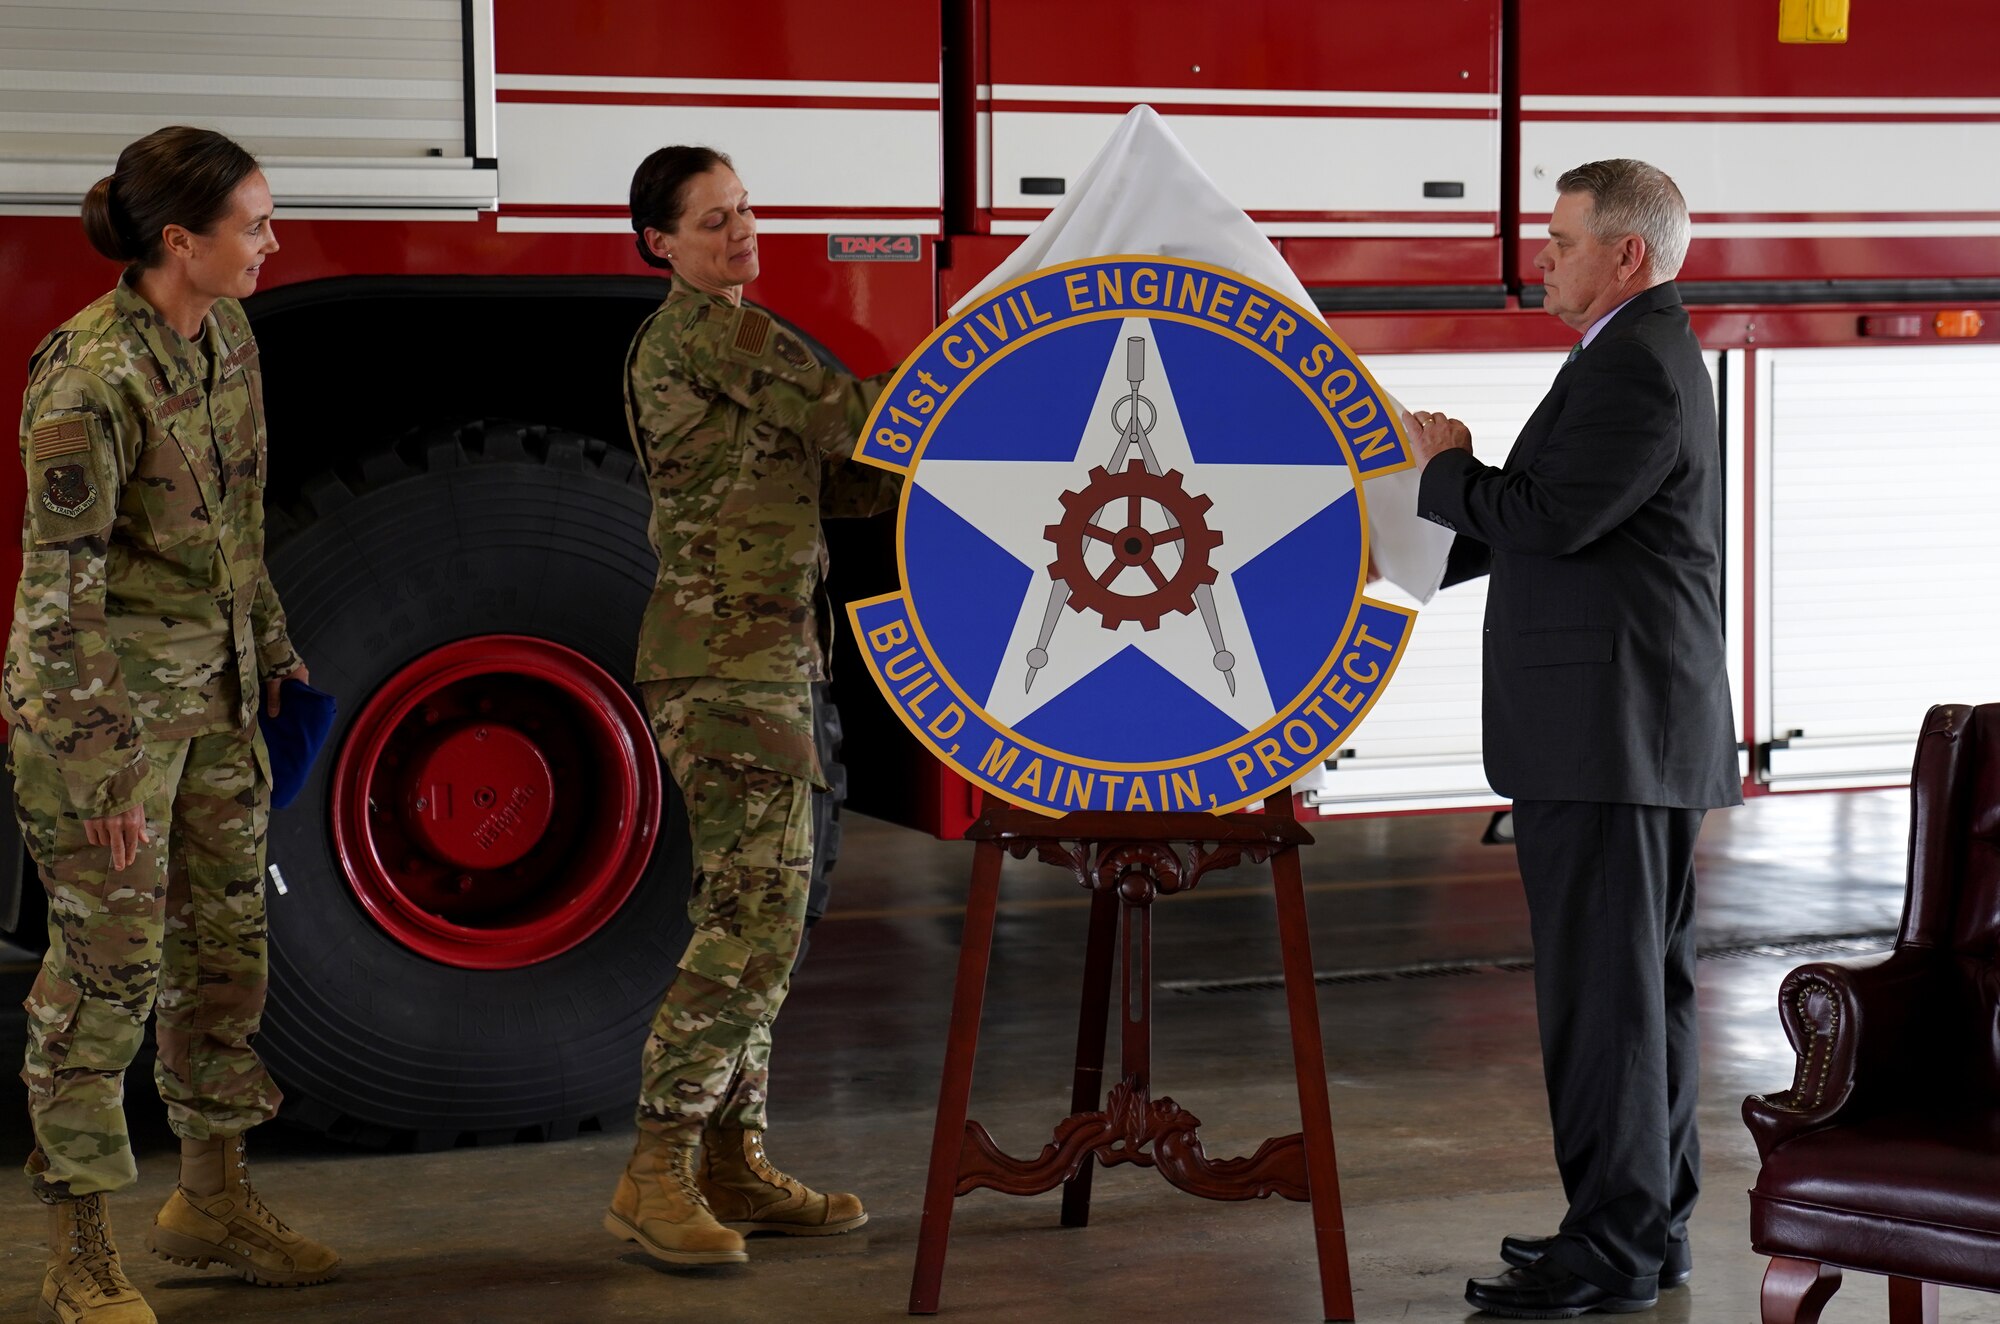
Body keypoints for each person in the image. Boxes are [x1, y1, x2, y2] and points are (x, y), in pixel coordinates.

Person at [7, 126, 339, 1323]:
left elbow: (238, 532)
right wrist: (97, 776)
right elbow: (57, 596)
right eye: (254, 224)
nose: (274, 241)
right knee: (105, 978)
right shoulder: (88, 376)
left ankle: (211, 1198)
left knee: (223, 954)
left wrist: (278, 647)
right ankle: (80, 1245)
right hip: (106, 727)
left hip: (218, 700)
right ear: (179, 241)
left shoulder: (229, 339)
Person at [1404, 159, 1739, 1319]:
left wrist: (1439, 467)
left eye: (1556, 240)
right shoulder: (1627, 357)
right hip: (1620, 731)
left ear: (1624, 254)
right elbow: (1552, 528)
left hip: (1609, 734)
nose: (1536, 259)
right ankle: (1649, 1228)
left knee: (1605, 1001)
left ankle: (1610, 1244)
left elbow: (1547, 514)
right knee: (1639, 996)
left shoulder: (1635, 367)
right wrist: (1411, 542)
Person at [606, 145, 900, 1266]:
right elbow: (852, 416)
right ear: (661, 245)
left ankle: (731, 1162)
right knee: (751, 925)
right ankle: (656, 1169)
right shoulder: (713, 331)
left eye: (745, 210)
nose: (740, 231)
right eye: (713, 219)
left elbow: (844, 480)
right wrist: (986, 364)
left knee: (758, 915)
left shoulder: (724, 345)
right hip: (730, 668)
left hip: (761, 659)